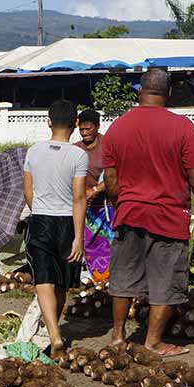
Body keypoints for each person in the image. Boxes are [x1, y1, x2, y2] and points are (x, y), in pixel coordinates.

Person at [102, 68, 194, 357]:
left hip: (129, 213)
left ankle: (118, 336)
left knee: (123, 276)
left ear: (140, 91)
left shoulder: (118, 127)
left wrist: (118, 205)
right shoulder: (182, 127)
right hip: (168, 216)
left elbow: (111, 179)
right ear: (169, 93)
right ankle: (152, 342)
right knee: (166, 280)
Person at [22, 100, 88, 360]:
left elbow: (28, 190)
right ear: (75, 124)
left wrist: (39, 209)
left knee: (43, 279)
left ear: (48, 121)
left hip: (41, 220)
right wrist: (79, 237)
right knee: (61, 280)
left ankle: (53, 335)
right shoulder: (78, 155)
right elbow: (79, 198)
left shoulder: (34, 151)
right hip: (67, 223)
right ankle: (55, 332)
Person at [76, 109, 113, 283]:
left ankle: (107, 279)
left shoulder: (108, 146)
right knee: (89, 243)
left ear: (97, 126)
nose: (85, 133)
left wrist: (96, 189)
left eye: (88, 129)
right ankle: (93, 278)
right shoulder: (76, 149)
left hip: (106, 207)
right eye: (81, 130)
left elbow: (116, 176)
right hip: (85, 206)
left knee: (106, 243)